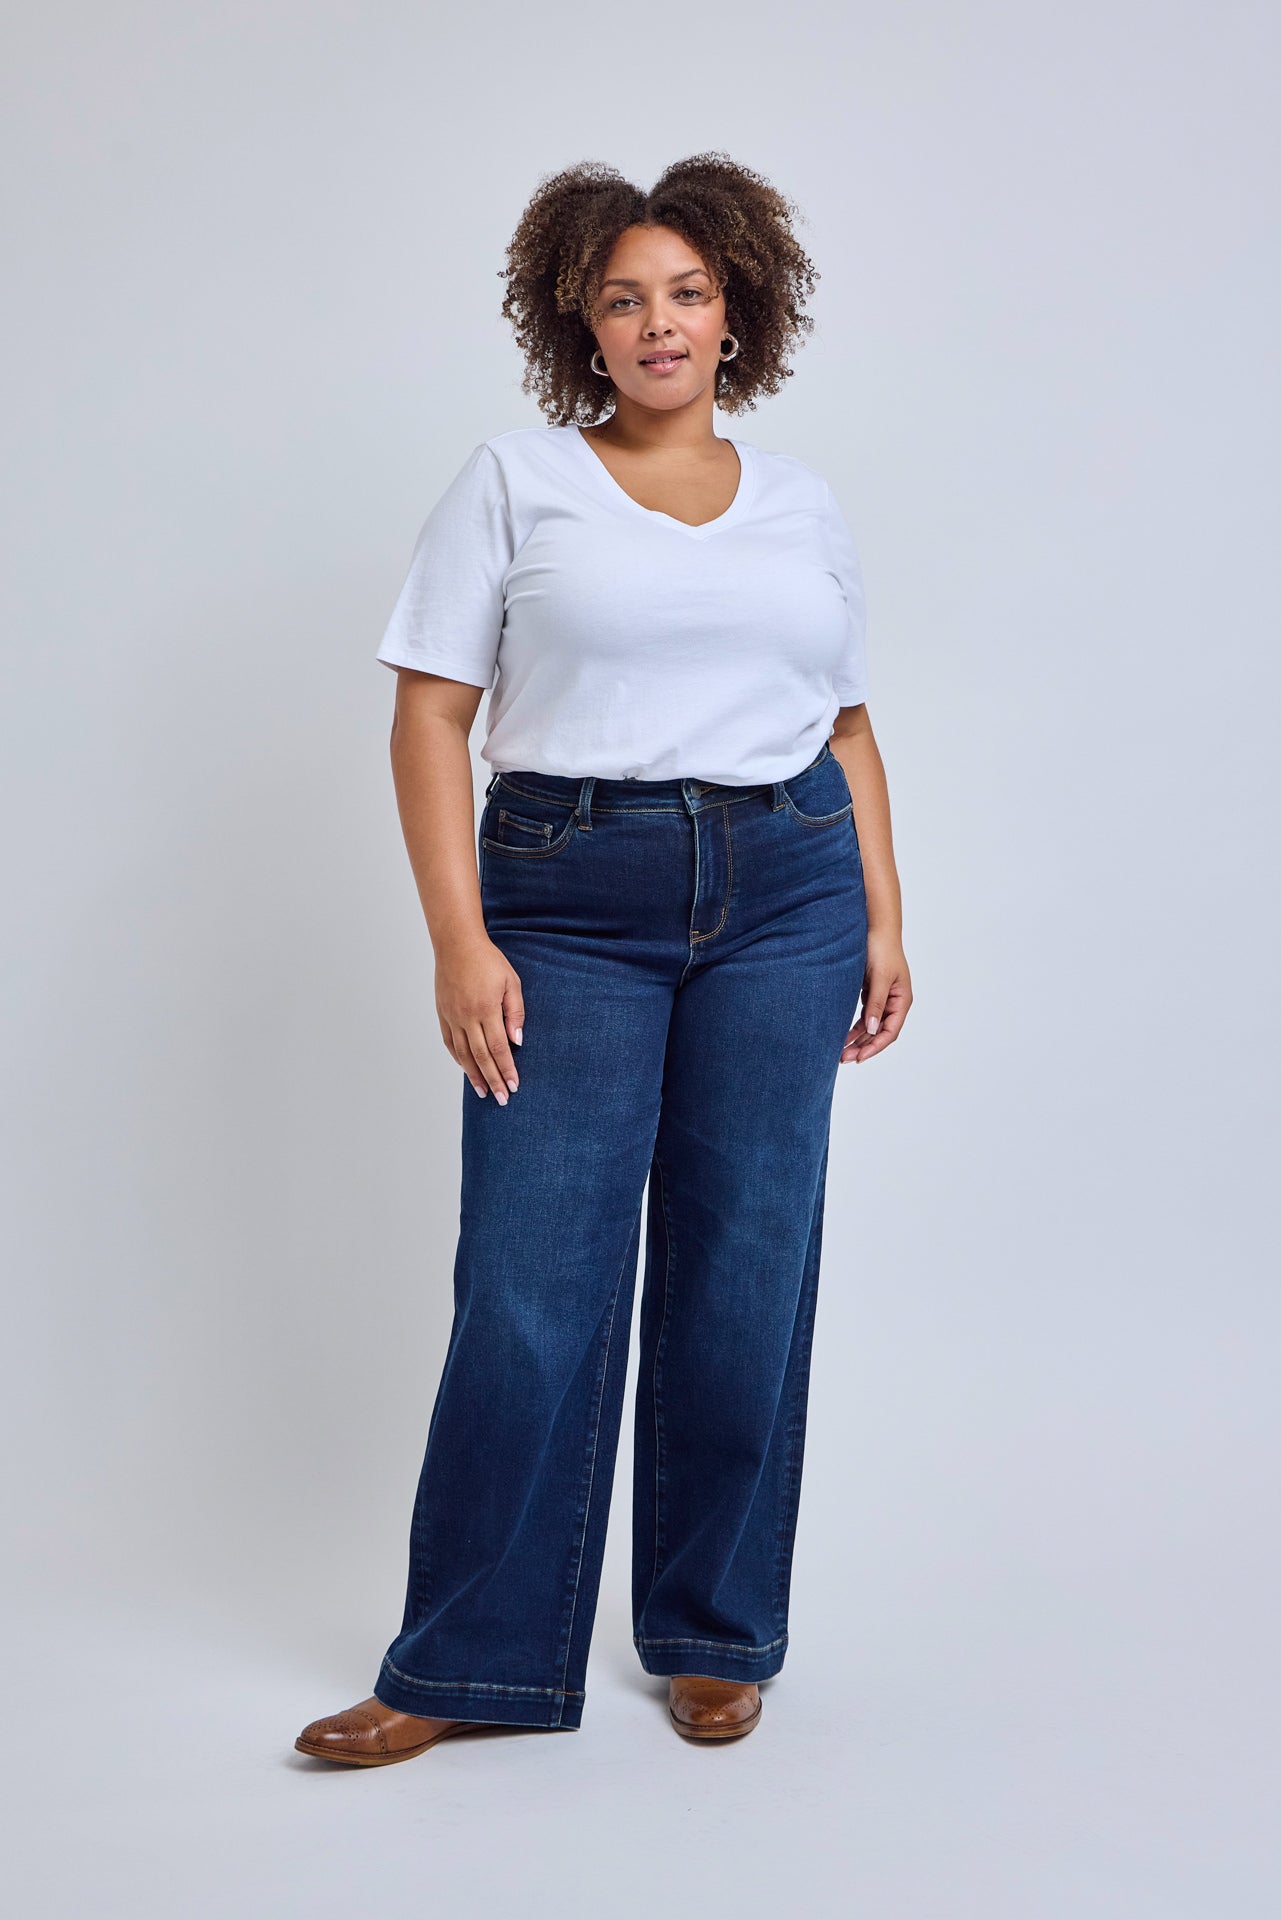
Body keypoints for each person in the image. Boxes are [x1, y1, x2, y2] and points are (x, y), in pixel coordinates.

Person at [295, 152, 913, 1766]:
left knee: (744, 1271)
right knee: (528, 1288)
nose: (659, 322)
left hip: (786, 893)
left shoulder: (801, 505)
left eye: (689, 294)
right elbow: (431, 709)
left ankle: (715, 1633)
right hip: (569, 894)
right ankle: (465, 1664)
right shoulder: (515, 480)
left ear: (737, 317)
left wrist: (885, 919)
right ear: (580, 319)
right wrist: (460, 938)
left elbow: (843, 723)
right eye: (625, 295)